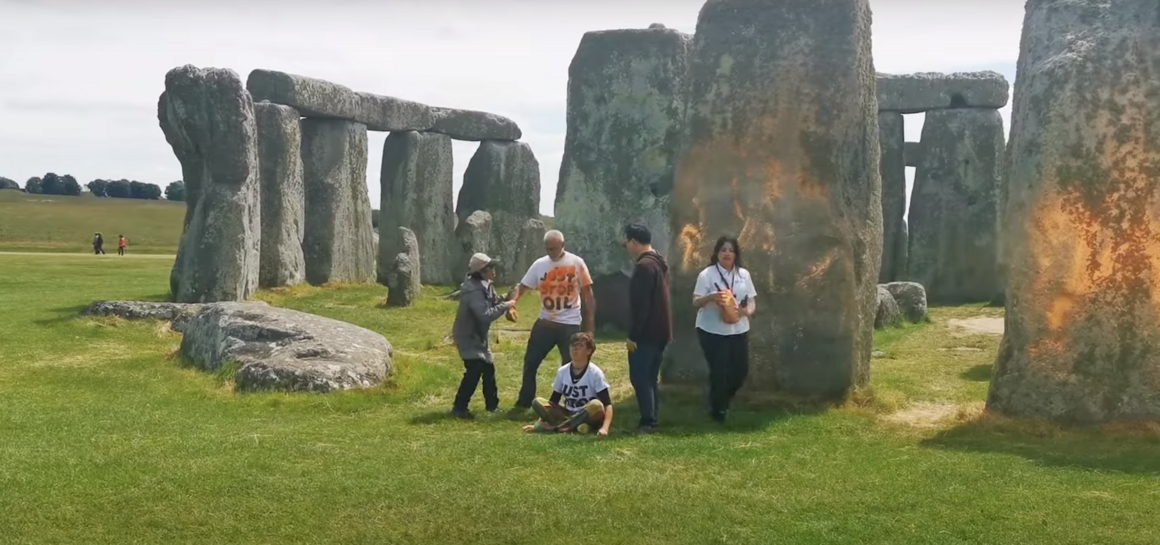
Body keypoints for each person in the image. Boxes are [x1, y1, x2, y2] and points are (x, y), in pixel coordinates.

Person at [509, 230, 595, 410]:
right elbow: (522, 286)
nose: (551, 252)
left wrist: (589, 327)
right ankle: (524, 401)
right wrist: (512, 304)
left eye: (554, 248)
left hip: (569, 324)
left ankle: (568, 403)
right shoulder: (540, 264)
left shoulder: (576, 262)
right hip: (545, 322)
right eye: (548, 249)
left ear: (563, 245)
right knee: (530, 362)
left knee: (571, 365)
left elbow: (588, 295)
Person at [692, 235, 757, 423]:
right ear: (717, 253)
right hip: (711, 330)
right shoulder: (707, 274)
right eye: (723, 250)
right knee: (718, 370)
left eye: (731, 250)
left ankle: (721, 399)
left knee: (740, 371)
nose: (727, 253)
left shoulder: (744, 274)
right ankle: (717, 411)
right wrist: (711, 296)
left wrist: (746, 311)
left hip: (738, 329)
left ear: (736, 254)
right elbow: (696, 301)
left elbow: (752, 300)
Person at [450, 253, 518, 419]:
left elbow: (494, 301)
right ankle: (459, 408)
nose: (494, 271)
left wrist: (507, 297)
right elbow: (484, 314)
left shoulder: (486, 285)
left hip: (478, 337)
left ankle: (492, 406)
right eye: (490, 268)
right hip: (468, 336)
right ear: (481, 271)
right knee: (474, 371)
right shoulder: (473, 289)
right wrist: (506, 305)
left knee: (488, 369)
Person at [622, 223, 671, 433]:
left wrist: (633, 335)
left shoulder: (644, 267)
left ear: (634, 241)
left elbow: (641, 305)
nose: (624, 245)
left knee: (640, 377)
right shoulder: (658, 262)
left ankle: (648, 421)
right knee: (650, 378)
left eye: (626, 241)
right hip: (661, 331)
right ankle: (652, 418)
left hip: (647, 333)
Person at [522, 332, 613, 438]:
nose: (575, 349)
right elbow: (553, 401)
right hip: (568, 413)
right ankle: (575, 426)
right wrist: (538, 423)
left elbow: (607, 405)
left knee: (596, 405)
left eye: (580, 346)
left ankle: (556, 428)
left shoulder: (595, 373)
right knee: (537, 402)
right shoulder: (562, 371)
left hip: (587, 413)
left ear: (589, 351)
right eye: (573, 345)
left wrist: (605, 428)